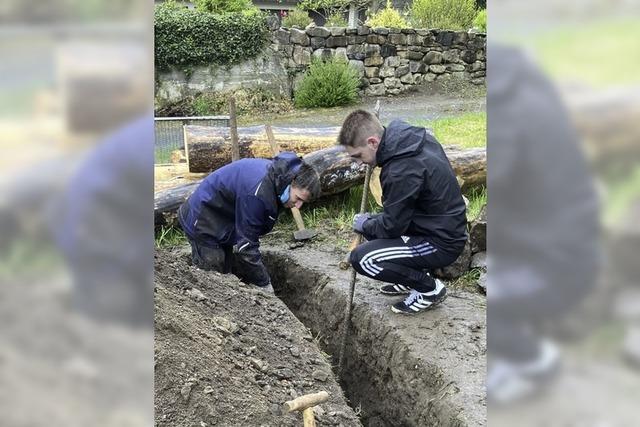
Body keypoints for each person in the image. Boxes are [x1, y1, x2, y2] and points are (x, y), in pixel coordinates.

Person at [338, 110, 467, 314]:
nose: (359, 163)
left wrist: (365, 224)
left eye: (358, 156)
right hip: (435, 225)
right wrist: (369, 223)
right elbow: (396, 216)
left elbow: (391, 226)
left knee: (362, 259)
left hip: (441, 242)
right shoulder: (411, 141)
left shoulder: (401, 169)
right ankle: (408, 278)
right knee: (371, 226)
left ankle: (429, 290)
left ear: (372, 142)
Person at [178, 152, 321, 293]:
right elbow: (246, 247)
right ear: (291, 181)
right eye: (298, 198)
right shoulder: (258, 194)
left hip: (222, 219)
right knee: (213, 283)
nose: (298, 206)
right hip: (202, 219)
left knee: (224, 275)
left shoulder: (278, 177)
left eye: (303, 202)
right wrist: (264, 284)